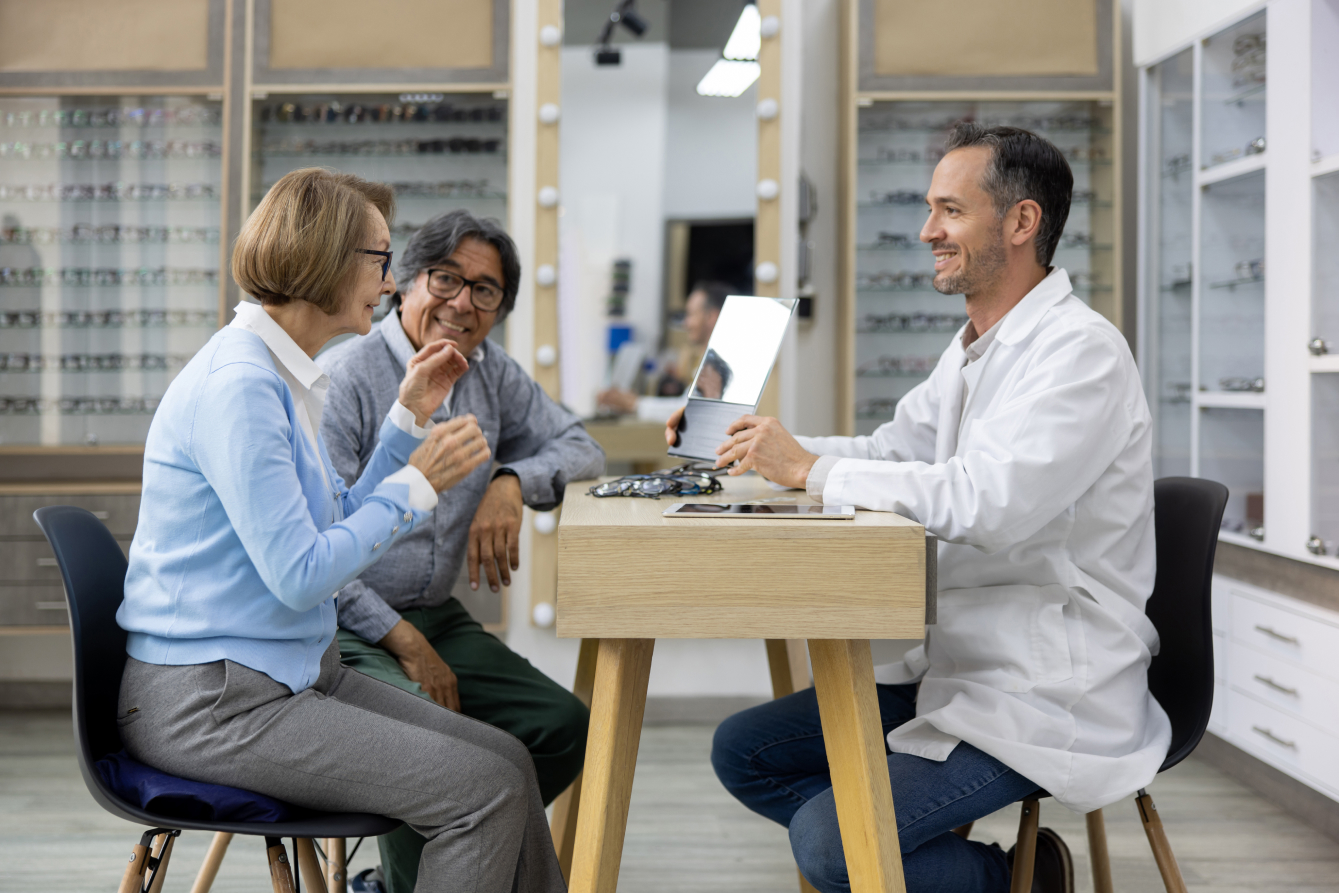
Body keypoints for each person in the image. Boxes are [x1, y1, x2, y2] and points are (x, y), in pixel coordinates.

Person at [672, 124, 1169, 893]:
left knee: (833, 841)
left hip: (1043, 687)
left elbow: (987, 501)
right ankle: (908, 865)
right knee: (744, 750)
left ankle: (1014, 881)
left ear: (1020, 222)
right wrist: (770, 449)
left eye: (948, 210)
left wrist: (810, 468)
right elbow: (894, 450)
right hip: (962, 663)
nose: (926, 230)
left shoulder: (1080, 353)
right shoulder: (975, 345)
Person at [115, 168, 566, 893]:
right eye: (381, 261)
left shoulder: (284, 375)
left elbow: (332, 518)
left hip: (283, 676)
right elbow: (301, 571)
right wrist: (419, 483)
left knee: (507, 760)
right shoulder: (241, 386)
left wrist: (405, 421)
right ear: (326, 258)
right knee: (478, 790)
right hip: (214, 702)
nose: (391, 286)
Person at [319, 209, 604, 893]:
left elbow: (581, 447)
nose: (462, 303)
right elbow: (317, 543)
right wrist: (407, 644)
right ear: (404, 282)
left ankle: (453, 868)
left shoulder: (490, 372)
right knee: (426, 743)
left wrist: (511, 481)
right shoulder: (346, 374)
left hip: (435, 610)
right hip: (343, 619)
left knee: (561, 724)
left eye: (485, 291)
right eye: (447, 279)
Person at [597, 280, 730, 420]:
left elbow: (689, 410)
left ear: (711, 317)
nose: (685, 323)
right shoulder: (712, 360)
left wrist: (635, 404)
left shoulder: (719, 364)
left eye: (691, 315)